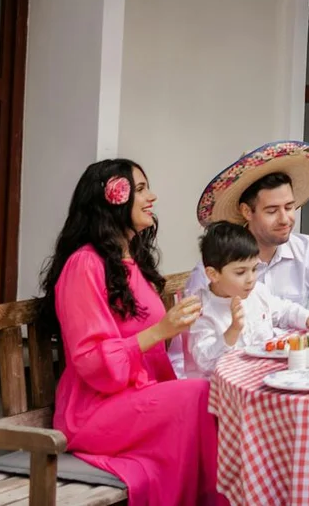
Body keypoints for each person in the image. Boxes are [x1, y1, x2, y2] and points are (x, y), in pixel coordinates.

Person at [38, 159, 223, 506]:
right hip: (95, 410)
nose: (151, 196)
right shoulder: (84, 265)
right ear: (112, 199)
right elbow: (91, 360)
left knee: (217, 397)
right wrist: (160, 330)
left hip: (137, 399)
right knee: (201, 395)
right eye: (140, 189)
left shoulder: (130, 261)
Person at [170, 141, 309, 374]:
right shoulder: (213, 273)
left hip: (289, 373)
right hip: (225, 383)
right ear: (246, 211)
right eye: (272, 211)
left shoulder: (307, 251)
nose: (285, 219)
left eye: (290, 207)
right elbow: (186, 356)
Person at [180, 221, 309, 379]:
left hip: (260, 376)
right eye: (240, 272)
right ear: (213, 274)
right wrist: (233, 330)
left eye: (254, 269)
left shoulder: (257, 292)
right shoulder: (200, 309)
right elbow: (205, 363)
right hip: (221, 390)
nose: (251, 279)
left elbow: (284, 310)